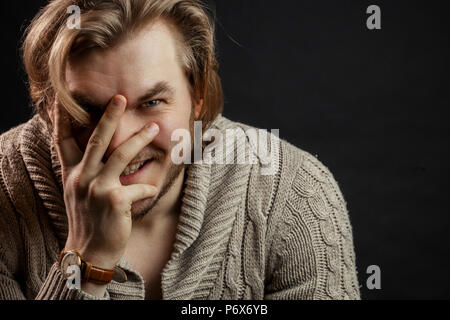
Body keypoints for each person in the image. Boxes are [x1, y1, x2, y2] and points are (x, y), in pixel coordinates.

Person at [0, 0, 360, 300]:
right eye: (88, 111)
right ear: (48, 107)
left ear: (198, 95)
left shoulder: (292, 190)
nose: (117, 141)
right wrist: (85, 258)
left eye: (152, 102)